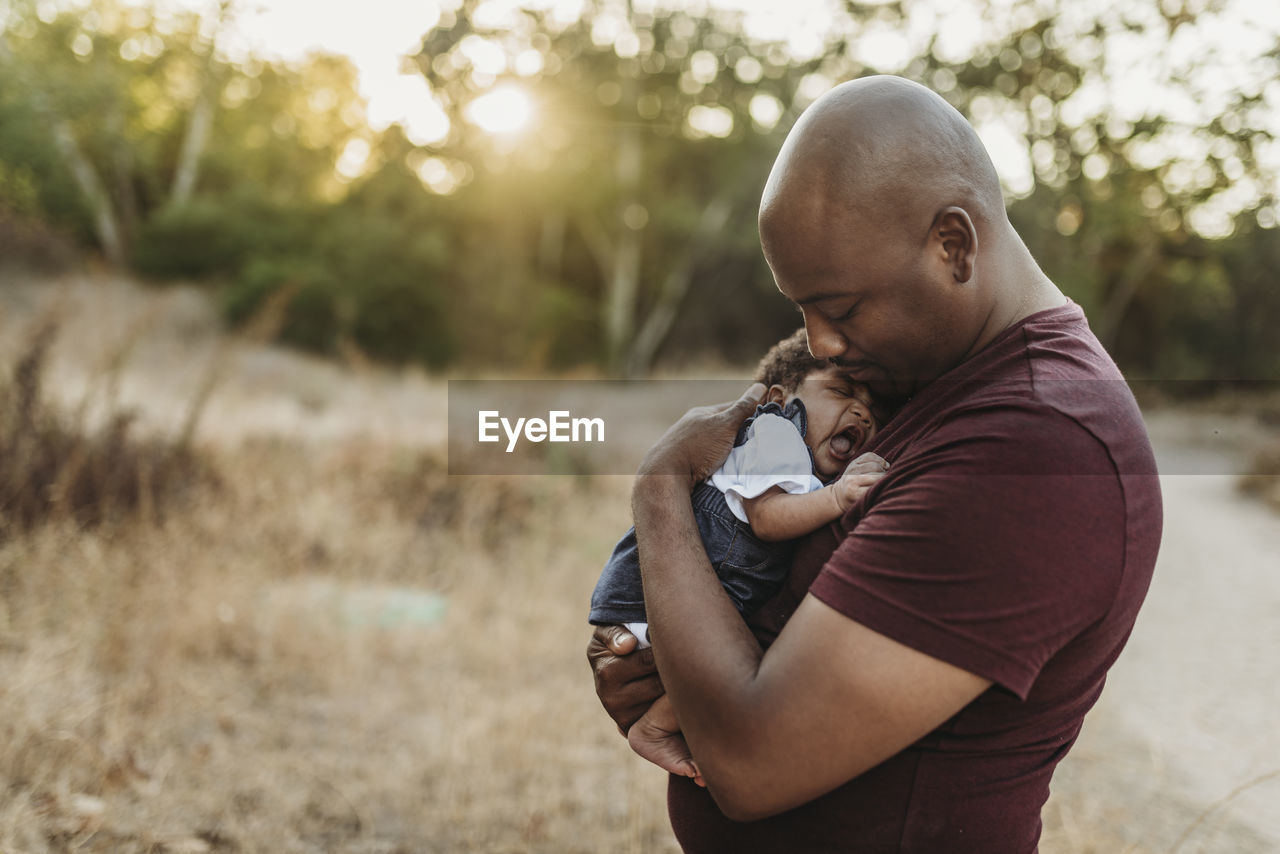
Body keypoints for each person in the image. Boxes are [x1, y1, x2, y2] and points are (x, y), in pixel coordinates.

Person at [586, 75, 1162, 853]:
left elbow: (754, 763)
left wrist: (659, 491)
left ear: (952, 244)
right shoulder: (926, 379)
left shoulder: (1039, 445)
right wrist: (665, 663)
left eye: (843, 308)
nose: (820, 345)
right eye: (803, 310)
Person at [589, 328, 886, 781]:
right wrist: (839, 497)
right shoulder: (776, 433)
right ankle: (653, 728)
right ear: (779, 397)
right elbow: (766, 517)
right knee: (709, 669)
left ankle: (658, 726)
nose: (862, 412)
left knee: (710, 669)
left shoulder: (809, 471)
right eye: (842, 390)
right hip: (656, 597)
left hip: (703, 591)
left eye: (874, 409)